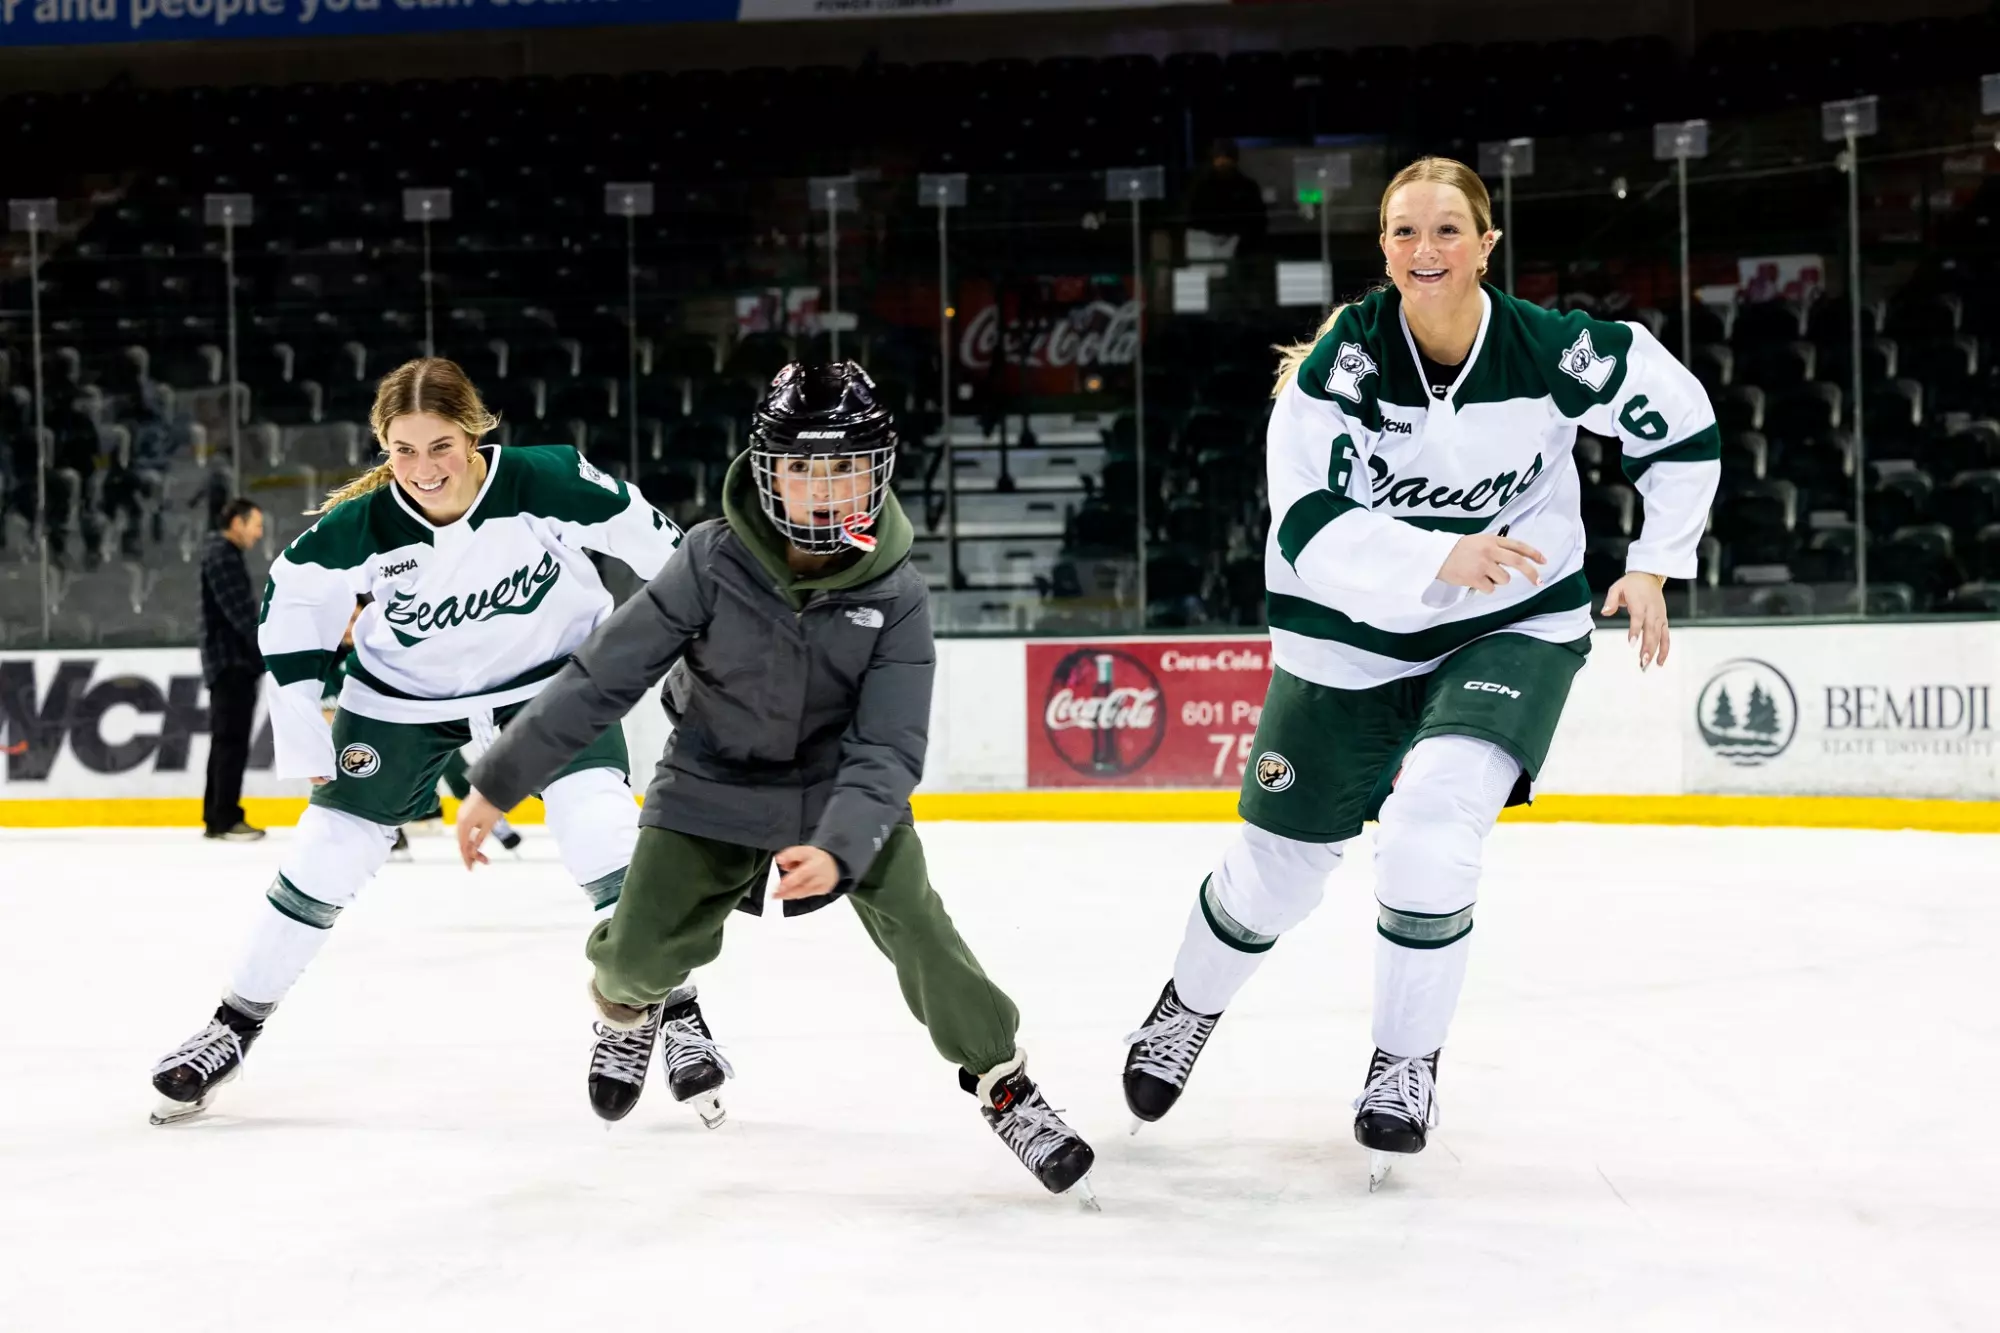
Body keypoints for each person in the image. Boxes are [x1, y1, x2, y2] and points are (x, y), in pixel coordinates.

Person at [1120, 156, 1720, 1188]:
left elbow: (1681, 420)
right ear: (1383, 250)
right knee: (1274, 876)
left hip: (1510, 620)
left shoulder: (1552, 350)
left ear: (1487, 245)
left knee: (1432, 825)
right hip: (1344, 630)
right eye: (1404, 232)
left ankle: (1402, 1064)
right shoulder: (1340, 369)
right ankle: (1186, 1006)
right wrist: (1430, 554)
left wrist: (1658, 557)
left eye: (1448, 230)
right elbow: (1304, 521)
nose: (1425, 249)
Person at [455, 362, 1097, 1198]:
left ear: (877, 471)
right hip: (709, 781)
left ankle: (1004, 1083)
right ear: (767, 472)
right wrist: (502, 777)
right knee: (634, 957)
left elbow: (890, 745)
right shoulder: (706, 560)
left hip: (840, 792)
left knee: (922, 928)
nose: (823, 491)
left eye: (843, 468)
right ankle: (627, 1007)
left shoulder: (896, 591)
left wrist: (839, 845)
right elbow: (601, 676)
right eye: (802, 468)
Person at [149, 358, 684, 1125]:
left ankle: (669, 1010)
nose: (423, 468)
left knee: (598, 826)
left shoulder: (547, 481)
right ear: (383, 445)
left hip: (550, 684)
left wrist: (709, 641)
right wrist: (305, 742)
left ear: (474, 434)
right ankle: (232, 1025)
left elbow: (661, 547)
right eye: (403, 449)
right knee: (326, 851)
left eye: (440, 446)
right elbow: (289, 612)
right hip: (401, 700)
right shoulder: (358, 528)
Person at [199, 498, 267, 842]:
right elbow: (240, 615)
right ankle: (223, 817)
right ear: (237, 523)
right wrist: (266, 653)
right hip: (231, 663)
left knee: (226, 741)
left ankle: (217, 815)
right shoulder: (222, 555)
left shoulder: (224, 554)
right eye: (255, 524)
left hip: (231, 662)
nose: (259, 532)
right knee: (231, 742)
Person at [1184, 137, 1269, 256]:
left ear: (1234, 160)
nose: (1222, 161)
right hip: (1206, 246)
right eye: (1219, 157)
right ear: (1213, 159)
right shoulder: (1201, 186)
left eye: (1226, 157)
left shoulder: (1247, 187)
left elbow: (1258, 222)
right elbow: (1191, 216)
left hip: (1241, 249)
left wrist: (1236, 235)